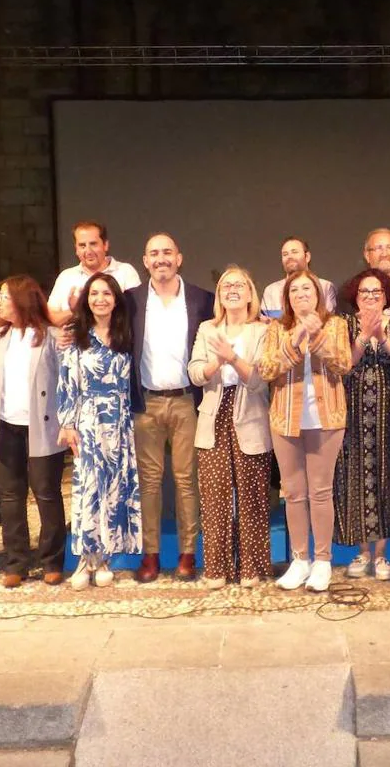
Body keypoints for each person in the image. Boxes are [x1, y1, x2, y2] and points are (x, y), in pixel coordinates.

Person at [125, 233, 214, 583]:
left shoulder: (200, 299)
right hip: (145, 403)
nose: (161, 259)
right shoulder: (129, 301)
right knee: (147, 483)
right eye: (153, 254)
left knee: (185, 481)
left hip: (186, 402)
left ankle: (188, 553)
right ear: (145, 261)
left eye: (167, 252)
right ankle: (150, 555)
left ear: (179, 257)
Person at [258, 269, 351, 593]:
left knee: (321, 491)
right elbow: (266, 369)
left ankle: (322, 561)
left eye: (306, 289)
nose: (301, 294)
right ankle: (300, 560)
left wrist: (318, 338)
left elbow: (344, 364)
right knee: (294, 493)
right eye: (294, 290)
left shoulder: (336, 325)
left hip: (326, 420)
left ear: (318, 295)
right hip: (286, 420)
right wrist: (295, 341)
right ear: (287, 299)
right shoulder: (276, 329)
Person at [0, 276, 68, 589]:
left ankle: (52, 561)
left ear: (21, 300)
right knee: (11, 497)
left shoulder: (52, 336)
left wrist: (68, 422)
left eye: (3, 296)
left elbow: (65, 384)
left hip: (43, 427)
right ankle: (17, 562)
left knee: (47, 494)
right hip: (6, 427)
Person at [334, 269, 390, 580]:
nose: (371, 297)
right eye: (364, 292)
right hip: (355, 414)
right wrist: (363, 337)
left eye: (376, 292)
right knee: (359, 480)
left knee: (388, 479)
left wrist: (382, 338)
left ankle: (383, 555)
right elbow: (342, 365)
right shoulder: (344, 324)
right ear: (355, 298)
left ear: (386, 296)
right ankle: (361, 553)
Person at [188, 266, 272, 589]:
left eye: (239, 285)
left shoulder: (262, 330)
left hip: (250, 414)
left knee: (252, 495)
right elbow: (195, 372)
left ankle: (251, 567)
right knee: (214, 496)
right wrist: (217, 362)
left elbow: (261, 378)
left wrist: (233, 358)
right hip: (213, 415)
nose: (232, 290)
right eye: (226, 286)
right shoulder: (208, 329)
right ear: (219, 295)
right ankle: (217, 568)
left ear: (250, 293)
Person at [58, 274, 142, 590]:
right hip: (89, 422)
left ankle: (103, 558)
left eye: (106, 293)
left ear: (116, 299)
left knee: (113, 491)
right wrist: (67, 425)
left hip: (120, 424)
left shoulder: (126, 335)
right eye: (94, 294)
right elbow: (66, 383)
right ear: (86, 299)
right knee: (87, 491)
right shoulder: (76, 335)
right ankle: (84, 560)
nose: (100, 299)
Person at [47, 221, 141, 326]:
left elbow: (138, 315)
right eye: (82, 246)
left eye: (93, 244)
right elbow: (50, 318)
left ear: (105, 245)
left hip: (117, 341)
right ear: (76, 249)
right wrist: (74, 311)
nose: (88, 251)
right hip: (75, 341)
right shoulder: (66, 277)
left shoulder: (126, 272)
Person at [260, 236, 337, 318]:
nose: (289, 257)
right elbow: (266, 325)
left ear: (307, 257)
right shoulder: (271, 291)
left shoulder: (325, 287)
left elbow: (328, 322)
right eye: (285, 254)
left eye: (294, 252)